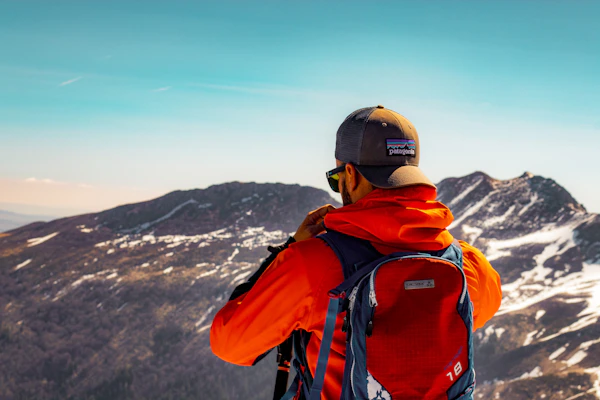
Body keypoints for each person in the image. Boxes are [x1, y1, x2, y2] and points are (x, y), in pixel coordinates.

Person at [210, 105, 502, 399]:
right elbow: (474, 313)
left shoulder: (312, 263)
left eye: (336, 178)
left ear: (350, 174)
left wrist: (288, 249)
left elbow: (230, 343)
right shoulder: (468, 264)